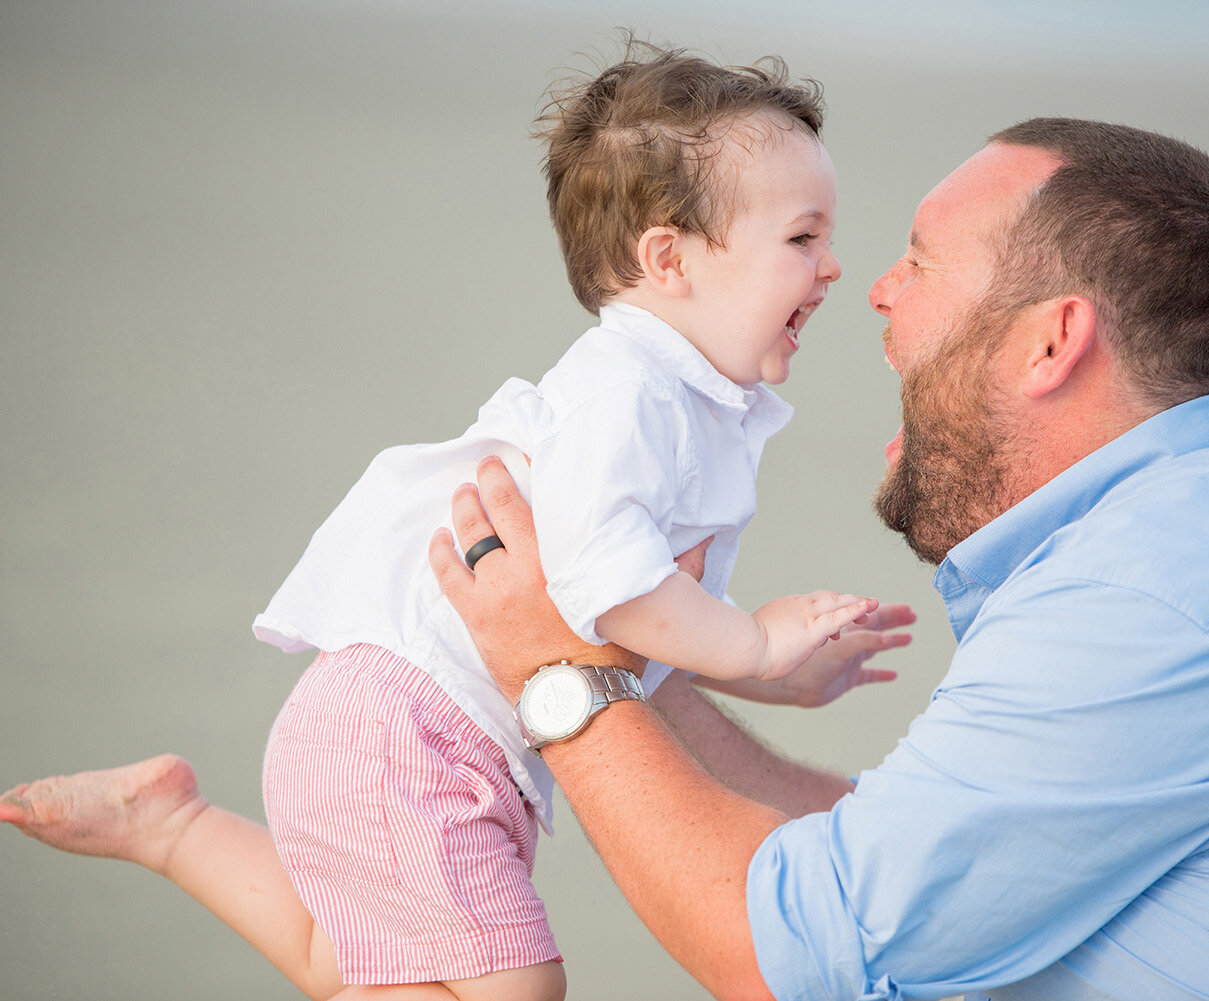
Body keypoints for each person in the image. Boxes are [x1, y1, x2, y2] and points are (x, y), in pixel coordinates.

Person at [428, 118, 1209, 1000]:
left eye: (921, 261)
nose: (874, 288)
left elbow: (790, 956)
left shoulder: (1152, 594)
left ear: (1050, 341)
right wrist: (628, 653)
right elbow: (913, 868)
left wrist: (555, 669)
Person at [0, 42, 914, 1001]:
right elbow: (611, 583)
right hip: (405, 732)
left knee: (355, 964)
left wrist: (775, 675)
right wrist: (759, 643)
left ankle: (173, 827)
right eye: (803, 238)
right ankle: (172, 830)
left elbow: (631, 627)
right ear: (669, 258)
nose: (836, 265)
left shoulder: (678, 402)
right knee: (516, 986)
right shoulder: (629, 393)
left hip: (420, 735)